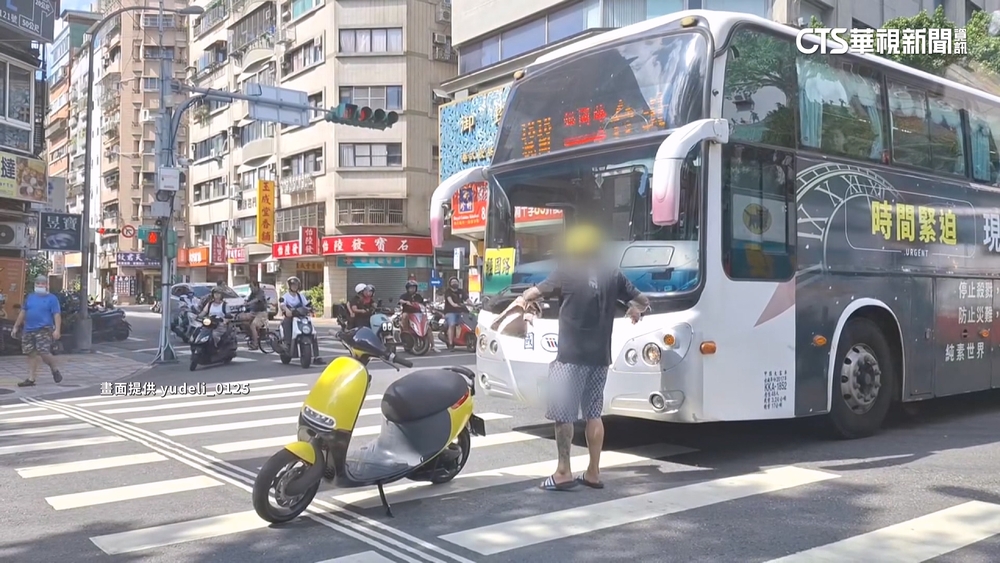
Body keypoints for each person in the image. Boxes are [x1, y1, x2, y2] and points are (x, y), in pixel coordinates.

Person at [501, 223, 650, 492]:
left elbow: (536, 292)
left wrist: (524, 299)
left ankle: (563, 472)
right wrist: (634, 311)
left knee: (563, 415)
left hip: (569, 358)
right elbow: (643, 300)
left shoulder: (567, 270)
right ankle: (593, 472)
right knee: (594, 414)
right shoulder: (612, 274)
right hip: (600, 357)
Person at [13, 275, 64, 387]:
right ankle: (31, 379)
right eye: (38, 283)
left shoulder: (52, 299)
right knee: (30, 353)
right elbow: (23, 312)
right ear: (35, 285)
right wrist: (16, 326)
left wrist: (57, 330)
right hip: (29, 329)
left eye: (42, 283)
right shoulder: (30, 297)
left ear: (47, 285)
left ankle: (54, 368)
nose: (40, 285)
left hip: (44, 329)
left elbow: (56, 315)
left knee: (43, 351)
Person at [443, 276, 469, 351]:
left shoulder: (461, 291)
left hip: (461, 311)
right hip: (450, 311)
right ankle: (450, 343)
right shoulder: (448, 292)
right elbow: (450, 301)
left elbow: (467, 299)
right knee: (452, 324)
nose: (454, 283)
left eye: (456, 281)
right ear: (450, 284)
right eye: (452, 282)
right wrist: (454, 304)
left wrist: (473, 305)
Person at [244, 280, 269, 350]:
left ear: (256, 286)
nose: (251, 289)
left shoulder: (261, 292)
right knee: (243, 319)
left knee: (253, 326)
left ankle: (255, 344)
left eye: (252, 287)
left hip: (262, 313)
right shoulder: (252, 293)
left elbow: (257, 300)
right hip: (253, 312)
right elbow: (248, 300)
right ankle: (250, 336)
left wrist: (249, 303)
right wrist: (245, 302)